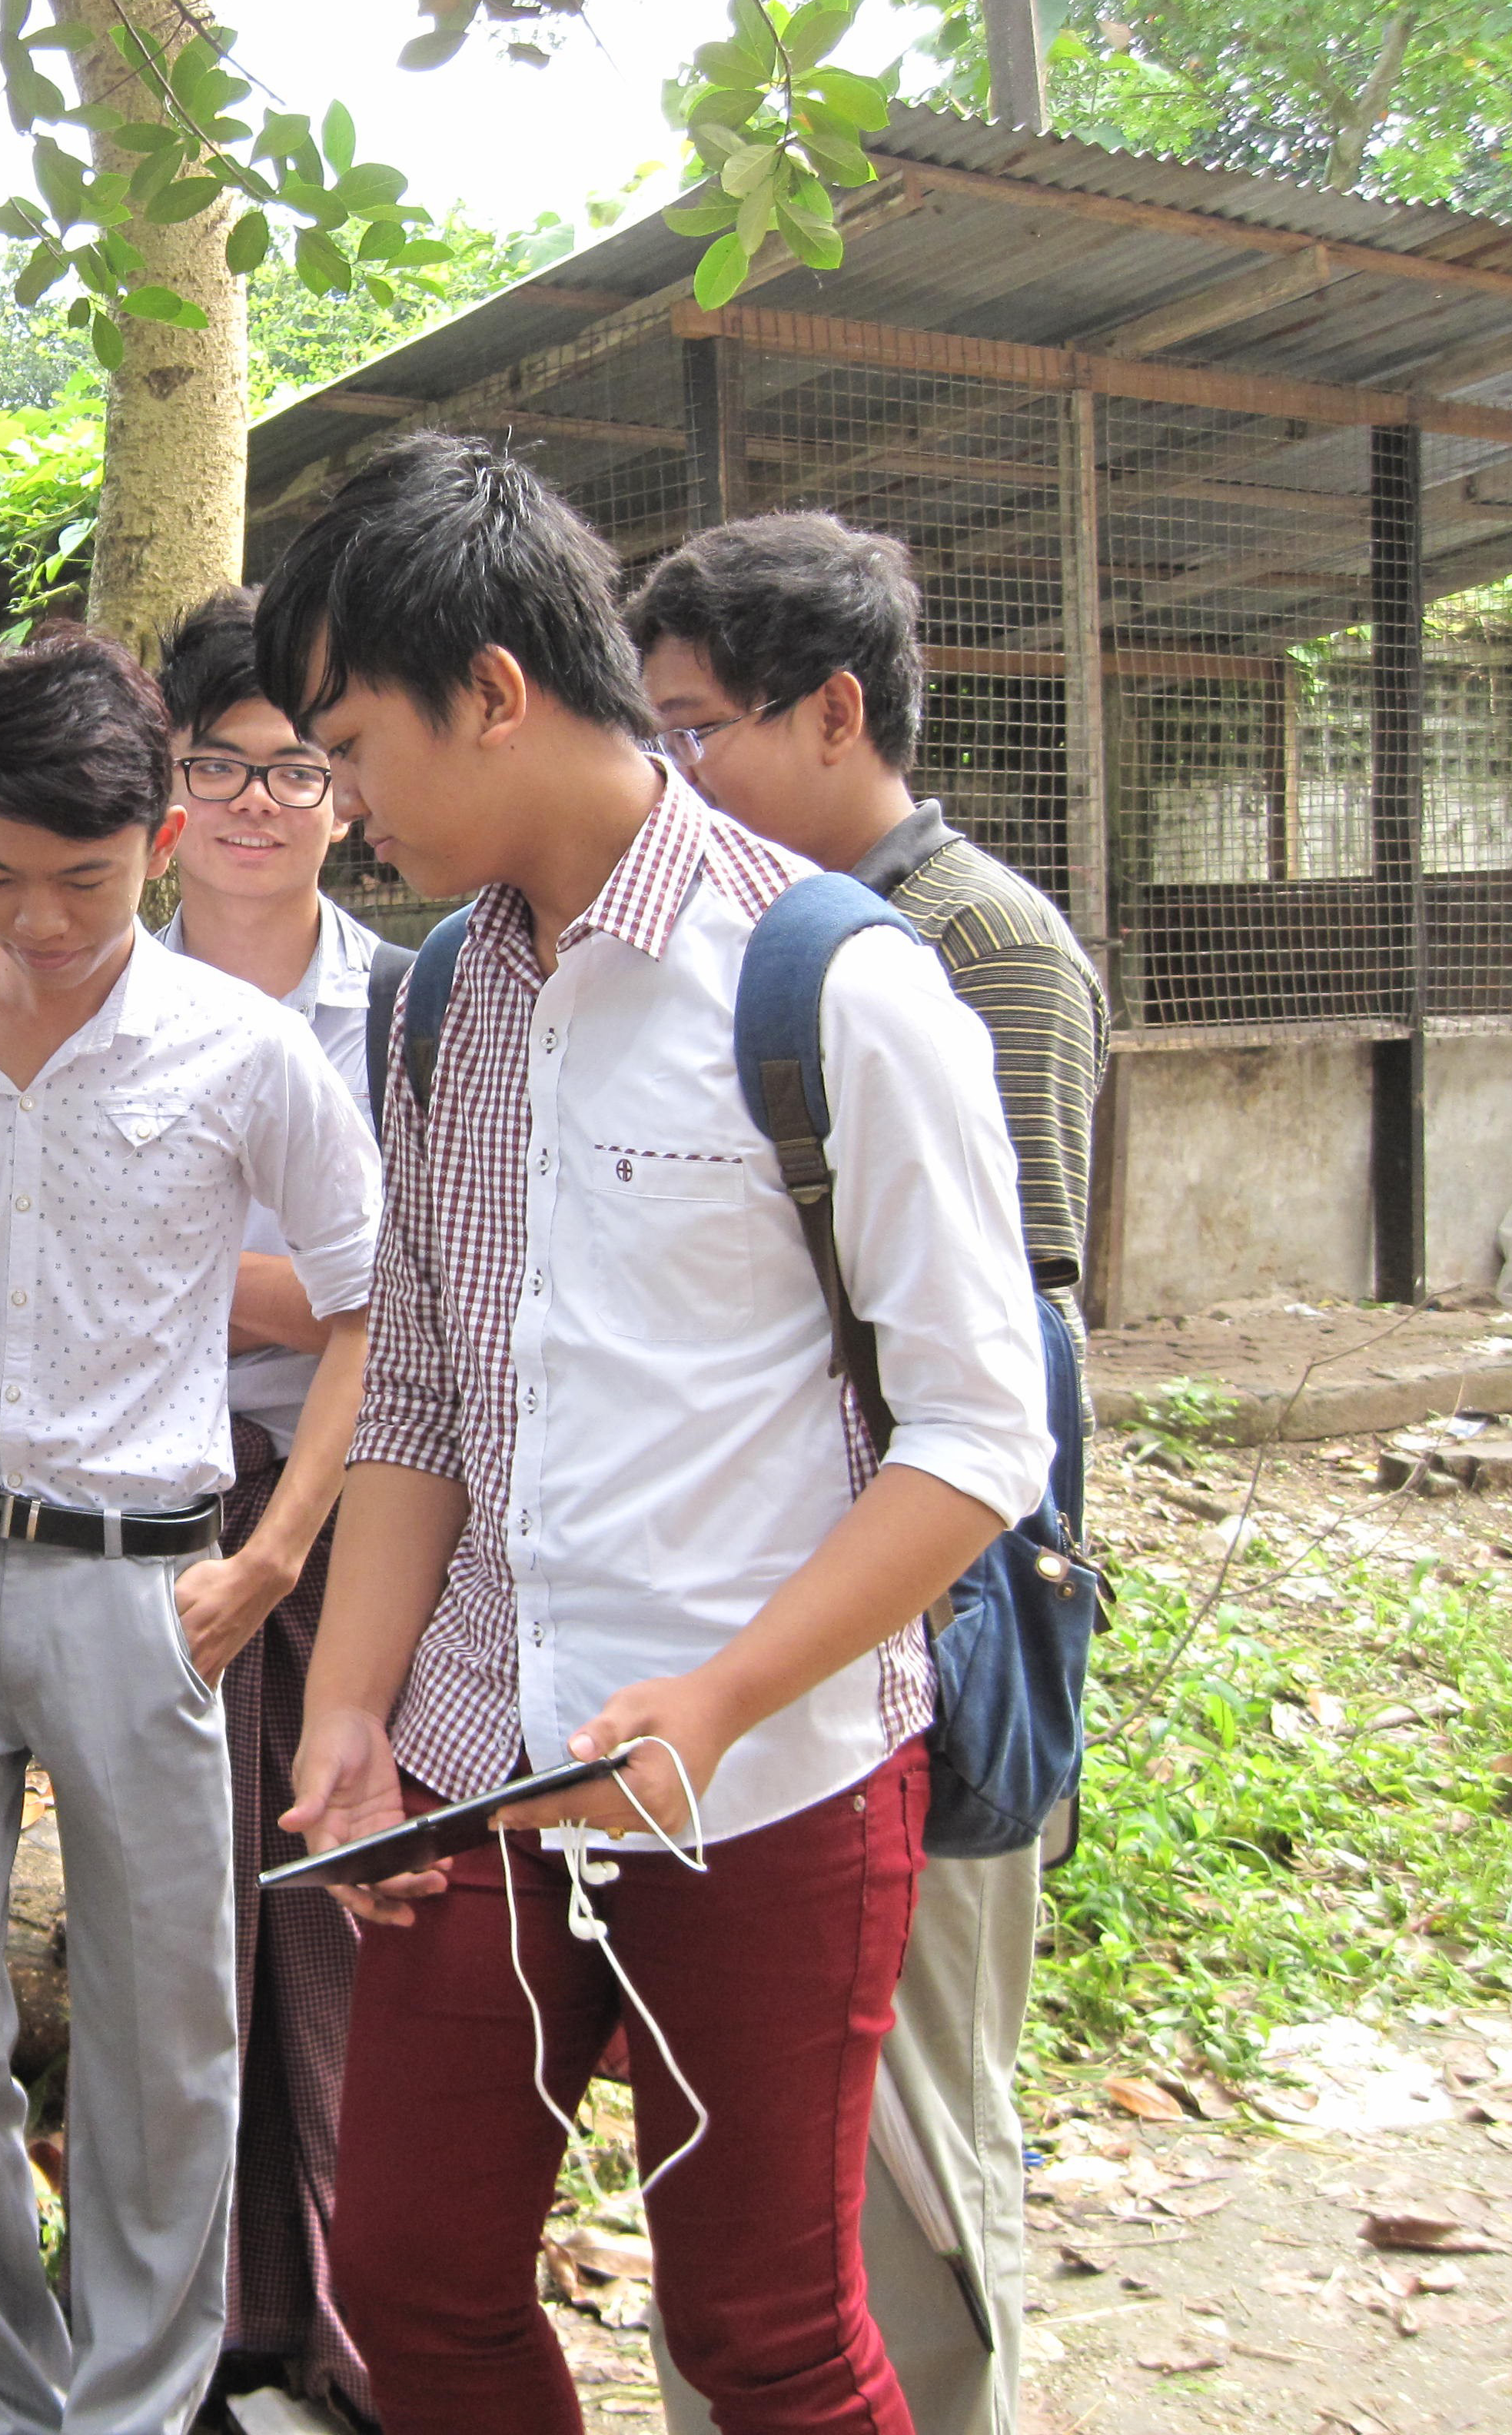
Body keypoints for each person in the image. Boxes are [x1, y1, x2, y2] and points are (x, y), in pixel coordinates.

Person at [257, 433, 1054, 2435]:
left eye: (352, 745)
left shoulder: (836, 987)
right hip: (481, 1772)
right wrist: (351, 1714)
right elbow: (425, 1389)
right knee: (416, 2285)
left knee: (766, 2337)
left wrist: (715, 1695)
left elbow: (977, 1436)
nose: (338, 807)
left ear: (498, 694)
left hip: (764, 1783)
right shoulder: (445, 1000)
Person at [0, 629, 383, 2435]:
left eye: (81, 879)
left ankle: (131, 2402)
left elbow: (378, 1298)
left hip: (149, 1587)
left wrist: (278, 1551)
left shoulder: (242, 1048)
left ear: (161, 838)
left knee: (163, 2036)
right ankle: (0, 2384)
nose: (38, 921)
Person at [630, 510, 1110, 2435]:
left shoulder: (975, 946)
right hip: (754, 1645)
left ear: (834, 714)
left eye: (695, 727)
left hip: (930, 1626)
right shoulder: (707, 940)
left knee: (913, 2152)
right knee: (752, 2171)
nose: (669, 775)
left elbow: (1017, 1364)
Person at [150, 587, 383, 2428]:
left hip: (350, 1487)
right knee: (177, 1919)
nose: (253, 803)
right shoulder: (85, 977)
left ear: (344, 791)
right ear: (166, 790)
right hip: (141, 1500)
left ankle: (361, 2306)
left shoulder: (403, 1001)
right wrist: (291, 1273)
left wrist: (166, 1253)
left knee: (337, 1885)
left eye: (291, 766)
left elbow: (407, 1292)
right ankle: (212, 2323)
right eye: (216, 767)